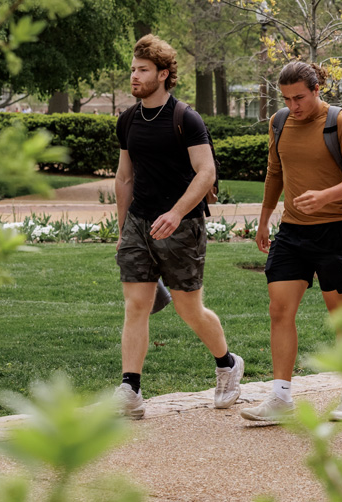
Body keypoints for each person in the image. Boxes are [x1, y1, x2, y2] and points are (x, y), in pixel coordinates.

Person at [113, 34, 243, 419]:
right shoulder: (128, 119)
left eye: (143, 70)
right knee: (135, 304)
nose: (134, 77)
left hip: (182, 226)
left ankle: (227, 363)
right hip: (139, 223)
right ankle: (131, 390)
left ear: (164, 74)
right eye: (133, 69)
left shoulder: (185, 117)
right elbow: (124, 178)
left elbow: (206, 172)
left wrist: (175, 212)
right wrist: (123, 230)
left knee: (189, 308)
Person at [240, 61, 342, 423]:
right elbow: (275, 170)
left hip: (335, 230)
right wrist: (265, 216)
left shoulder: (340, 123)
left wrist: (327, 195)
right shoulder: (279, 122)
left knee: (341, 316)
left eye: (299, 97)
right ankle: (281, 399)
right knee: (279, 310)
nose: (293, 105)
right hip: (293, 233)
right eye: (286, 98)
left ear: (317, 89)